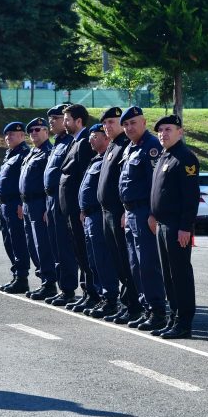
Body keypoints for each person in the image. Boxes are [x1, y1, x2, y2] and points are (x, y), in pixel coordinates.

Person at [150, 114, 201, 339]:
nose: (163, 133)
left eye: (168, 129)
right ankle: (173, 318)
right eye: (160, 130)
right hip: (161, 224)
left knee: (180, 274)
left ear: (180, 132)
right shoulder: (165, 156)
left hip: (175, 226)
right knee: (168, 276)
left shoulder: (185, 158)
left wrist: (185, 227)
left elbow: (190, 197)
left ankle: (184, 323)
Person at [119, 106, 169, 332]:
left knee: (148, 264)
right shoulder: (130, 148)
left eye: (133, 123)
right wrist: (124, 211)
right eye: (126, 124)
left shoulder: (151, 147)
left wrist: (153, 214)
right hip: (130, 212)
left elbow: (156, 185)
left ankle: (158, 311)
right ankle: (146, 308)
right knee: (135, 264)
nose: (129, 128)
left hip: (144, 213)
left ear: (144, 122)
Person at [97, 107, 144, 324]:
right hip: (107, 212)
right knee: (117, 261)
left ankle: (134, 305)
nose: (108, 127)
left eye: (112, 122)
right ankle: (128, 304)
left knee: (127, 262)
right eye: (105, 123)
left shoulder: (125, 144)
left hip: (119, 212)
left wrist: (124, 211)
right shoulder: (113, 146)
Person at [58, 104, 99, 312]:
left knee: (84, 252)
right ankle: (86, 292)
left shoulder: (83, 143)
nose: (64, 123)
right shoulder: (74, 142)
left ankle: (92, 292)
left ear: (78, 121)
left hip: (77, 210)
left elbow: (84, 179)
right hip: (70, 210)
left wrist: (82, 207)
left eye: (67, 119)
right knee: (79, 253)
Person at [78, 124, 120, 318]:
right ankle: (101, 297)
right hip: (89, 215)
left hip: (99, 214)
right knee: (93, 259)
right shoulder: (95, 159)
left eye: (95, 136)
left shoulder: (107, 159)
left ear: (106, 138)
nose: (90, 140)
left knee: (103, 259)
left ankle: (111, 299)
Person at [42, 104, 78, 305]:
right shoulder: (58, 143)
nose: (53, 123)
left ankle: (69, 289)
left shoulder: (71, 142)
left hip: (62, 198)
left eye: (56, 119)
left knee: (65, 246)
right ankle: (61, 286)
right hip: (50, 199)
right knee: (55, 245)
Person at [19, 117, 58, 301]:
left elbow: (48, 182)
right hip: (27, 204)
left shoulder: (48, 152)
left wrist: (46, 208)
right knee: (32, 244)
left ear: (46, 132)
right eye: (31, 130)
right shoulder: (32, 152)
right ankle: (43, 279)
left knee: (42, 244)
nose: (34, 133)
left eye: (38, 129)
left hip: (39, 204)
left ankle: (49, 283)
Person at [0, 122, 31, 294]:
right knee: (8, 241)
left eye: (13, 134)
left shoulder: (24, 153)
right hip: (4, 204)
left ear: (22, 136)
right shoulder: (10, 154)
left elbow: (24, 181)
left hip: (14, 204)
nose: (9, 137)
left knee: (18, 242)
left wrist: (20, 203)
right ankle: (17, 274)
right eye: (7, 134)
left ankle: (22, 277)